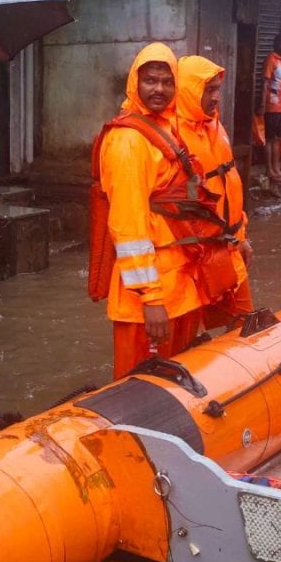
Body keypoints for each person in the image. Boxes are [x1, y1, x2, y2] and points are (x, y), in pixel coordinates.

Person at [97, 43, 205, 379]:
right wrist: (151, 298)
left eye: (167, 81)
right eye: (150, 80)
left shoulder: (169, 128)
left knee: (178, 386)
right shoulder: (128, 141)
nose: (159, 89)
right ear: (135, 83)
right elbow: (128, 227)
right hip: (147, 300)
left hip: (181, 287)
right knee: (140, 389)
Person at [176, 55, 253, 330]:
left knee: (244, 323)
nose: (216, 97)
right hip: (193, 257)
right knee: (187, 335)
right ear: (189, 89)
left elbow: (230, 188)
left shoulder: (215, 125)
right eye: (209, 90)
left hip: (228, 246)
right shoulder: (171, 136)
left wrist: (241, 237)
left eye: (217, 89)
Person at [262, 32, 281, 181]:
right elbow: (265, 82)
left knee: (277, 139)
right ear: (276, 44)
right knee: (270, 139)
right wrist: (262, 104)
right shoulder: (271, 59)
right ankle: (270, 170)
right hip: (273, 106)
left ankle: (276, 169)